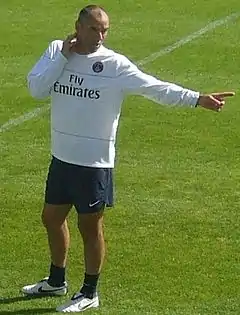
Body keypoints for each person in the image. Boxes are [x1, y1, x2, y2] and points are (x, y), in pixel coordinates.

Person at [21, 4, 234, 313]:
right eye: (94, 29)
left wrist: (196, 99)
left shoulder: (114, 64)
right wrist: (63, 58)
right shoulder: (57, 50)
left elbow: (153, 87)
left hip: (94, 164)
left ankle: (89, 292)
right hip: (62, 157)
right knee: (51, 219)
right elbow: (37, 89)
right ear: (78, 27)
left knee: (89, 228)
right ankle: (56, 280)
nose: (100, 36)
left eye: (104, 30)